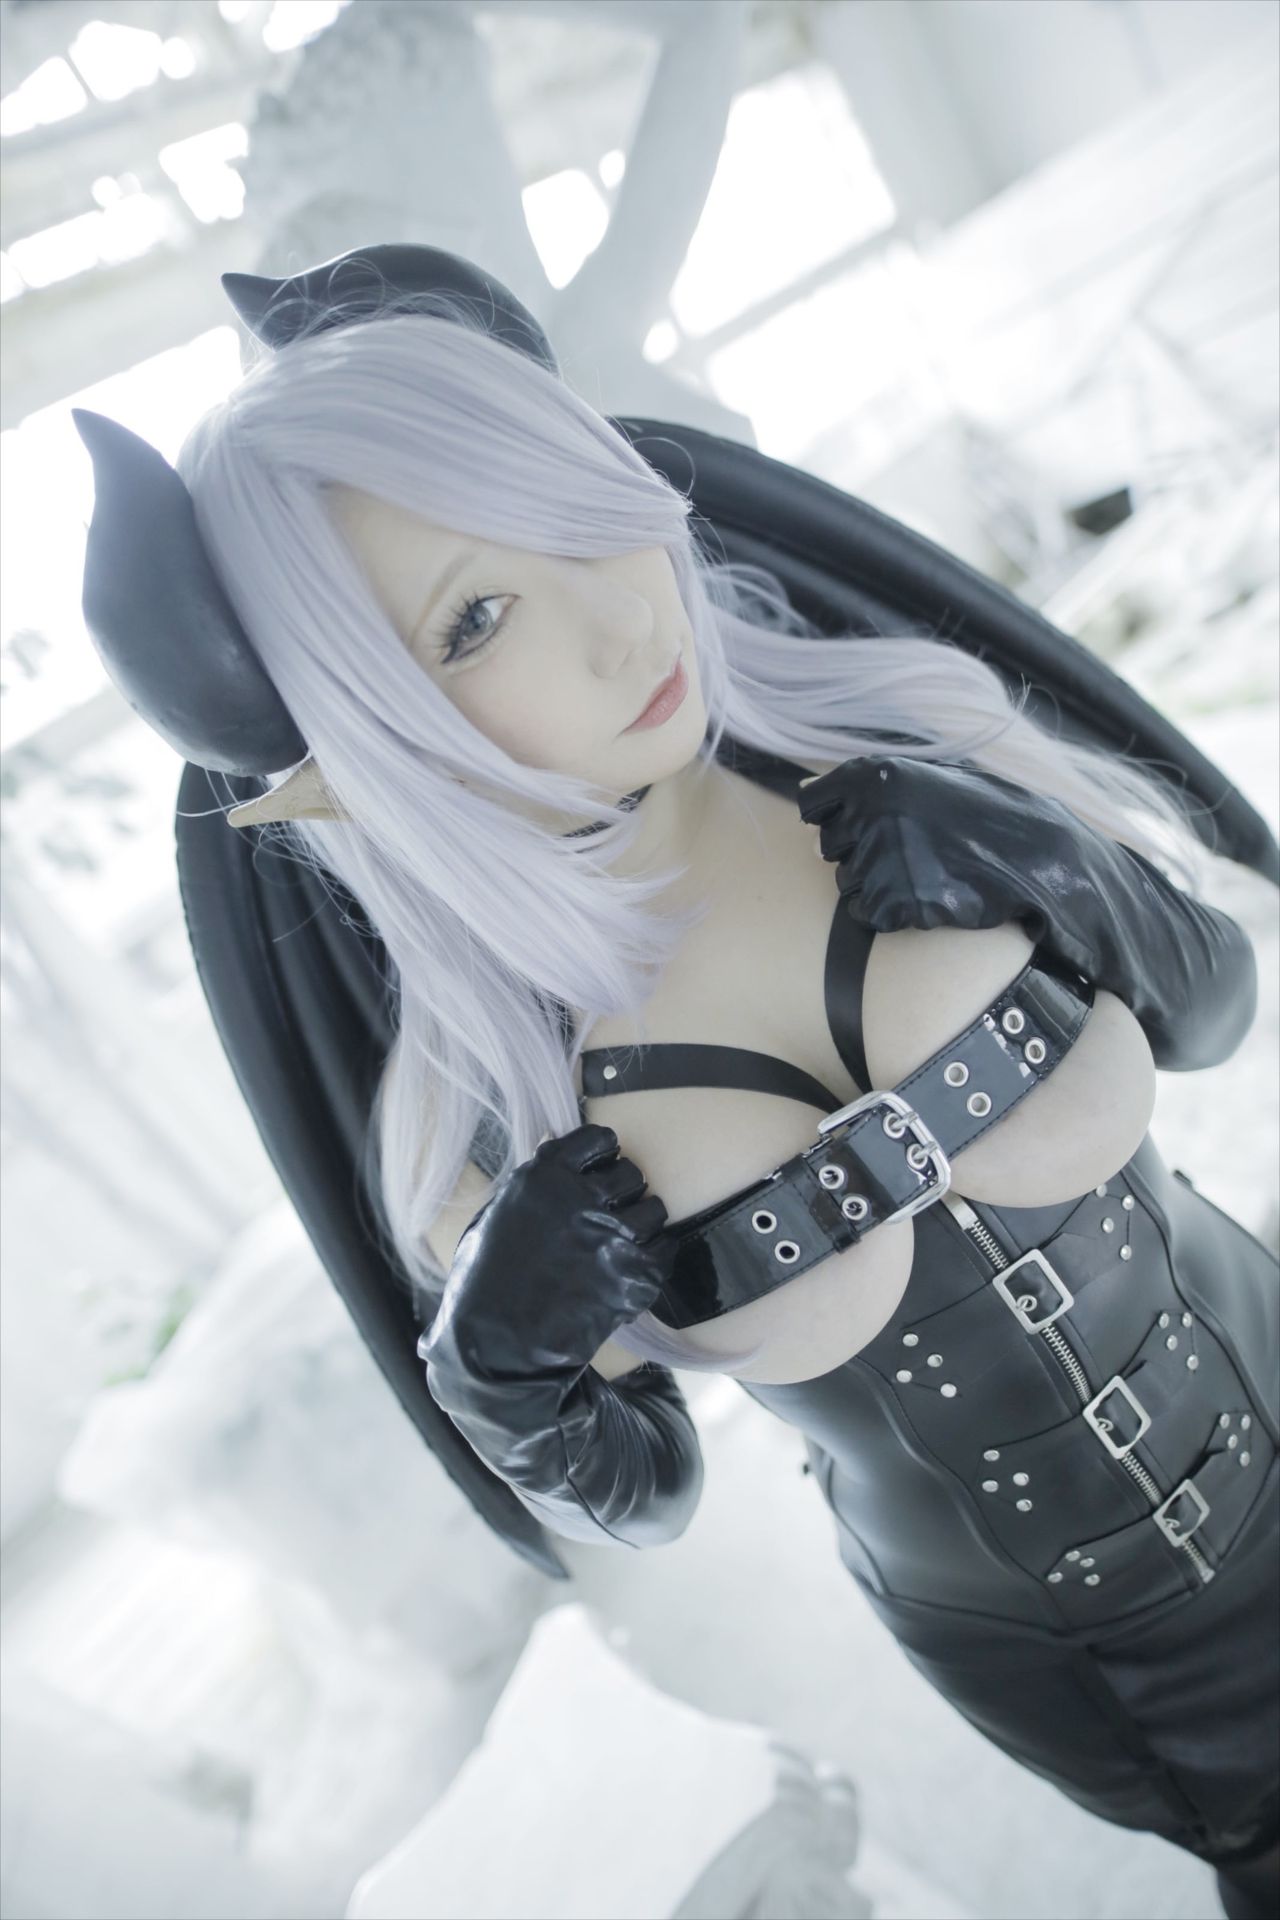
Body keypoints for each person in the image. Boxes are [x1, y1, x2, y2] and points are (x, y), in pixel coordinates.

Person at [74, 246, 1278, 1919]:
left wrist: (1053, 868)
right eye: (477, 617)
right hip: (1099, 1662)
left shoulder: (903, 741)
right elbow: (652, 1492)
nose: (624, 614)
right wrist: (506, 1391)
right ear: (362, 729)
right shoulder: (494, 1113)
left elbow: (1214, 1008)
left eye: (579, 511)